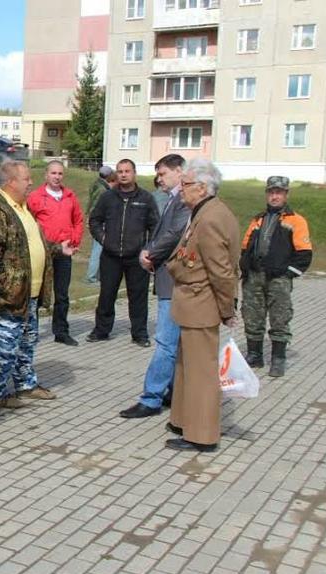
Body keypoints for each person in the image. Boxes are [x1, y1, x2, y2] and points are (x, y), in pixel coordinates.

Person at [165, 158, 240, 452]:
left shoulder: (210, 218)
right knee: (187, 367)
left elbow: (221, 271)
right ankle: (184, 420)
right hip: (193, 302)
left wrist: (227, 310)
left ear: (202, 187)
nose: (180, 190)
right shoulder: (206, 211)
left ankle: (202, 435)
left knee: (201, 373)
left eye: (185, 185)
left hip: (202, 303)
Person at [0, 160, 56, 407]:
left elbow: (27, 244)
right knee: (1, 348)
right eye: (26, 179)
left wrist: (56, 249)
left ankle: (25, 385)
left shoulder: (22, 207)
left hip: (27, 295)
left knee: (25, 344)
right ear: (11, 182)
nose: (31, 183)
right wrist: (5, 288)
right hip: (5, 298)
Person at [120, 154, 190, 419]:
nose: (158, 179)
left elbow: (174, 234)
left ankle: (151, 398)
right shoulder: (174, 198)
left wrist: (149, 253)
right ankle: (171, 391)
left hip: (173, 282)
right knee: (172, 342)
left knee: (165, 342)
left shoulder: (184, 199)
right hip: (167, 278)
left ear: (179, 171)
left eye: (162, 173)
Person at [240, 176, 313, 377]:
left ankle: (278, 359)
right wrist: (245, 268)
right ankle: (254, 355)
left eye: (279, 192)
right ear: (267, 194)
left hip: (278, 278)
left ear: (286, 194)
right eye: (271, 192)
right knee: (252, 315)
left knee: (280, 317)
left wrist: (287, 274)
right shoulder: (258, 219)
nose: (274, 196)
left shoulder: (296, 220)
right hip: (255, 276)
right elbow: (245, 247)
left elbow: (305, 253)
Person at [87, 158, 159, 346]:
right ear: (115, 174)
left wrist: (148, 249)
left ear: (134, 173)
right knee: (106, 295)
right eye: (120, 171)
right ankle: (101, 330)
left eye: (127, 171)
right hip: (111, 256)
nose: (124, 175)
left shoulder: (146, 198)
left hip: (136, 257)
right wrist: (104, 239)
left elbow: (155, 227)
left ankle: (140, 334)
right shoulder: (107, 197)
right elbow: (94, 220)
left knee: (138, 297)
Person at [27, 160, 83, 346]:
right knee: (36, 291)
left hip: (63, 251)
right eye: (53, 173)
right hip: (42, 252)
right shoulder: (35, 197)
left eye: (60, 174)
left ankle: (61, 331)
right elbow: (28, 221)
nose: (57, 177)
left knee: (62, 294)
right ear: (46, 175)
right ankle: (31, 331)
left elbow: (78, 220)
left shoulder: (69, 196)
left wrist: (74, 240)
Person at [84, 166, 116, 284]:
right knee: (97, 250)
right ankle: (91, 277)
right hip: (99, 223)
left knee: (98, 250)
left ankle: (96, 276)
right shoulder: (102, 190)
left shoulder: (95, 184)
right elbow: (96, 207)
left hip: (94, 221)